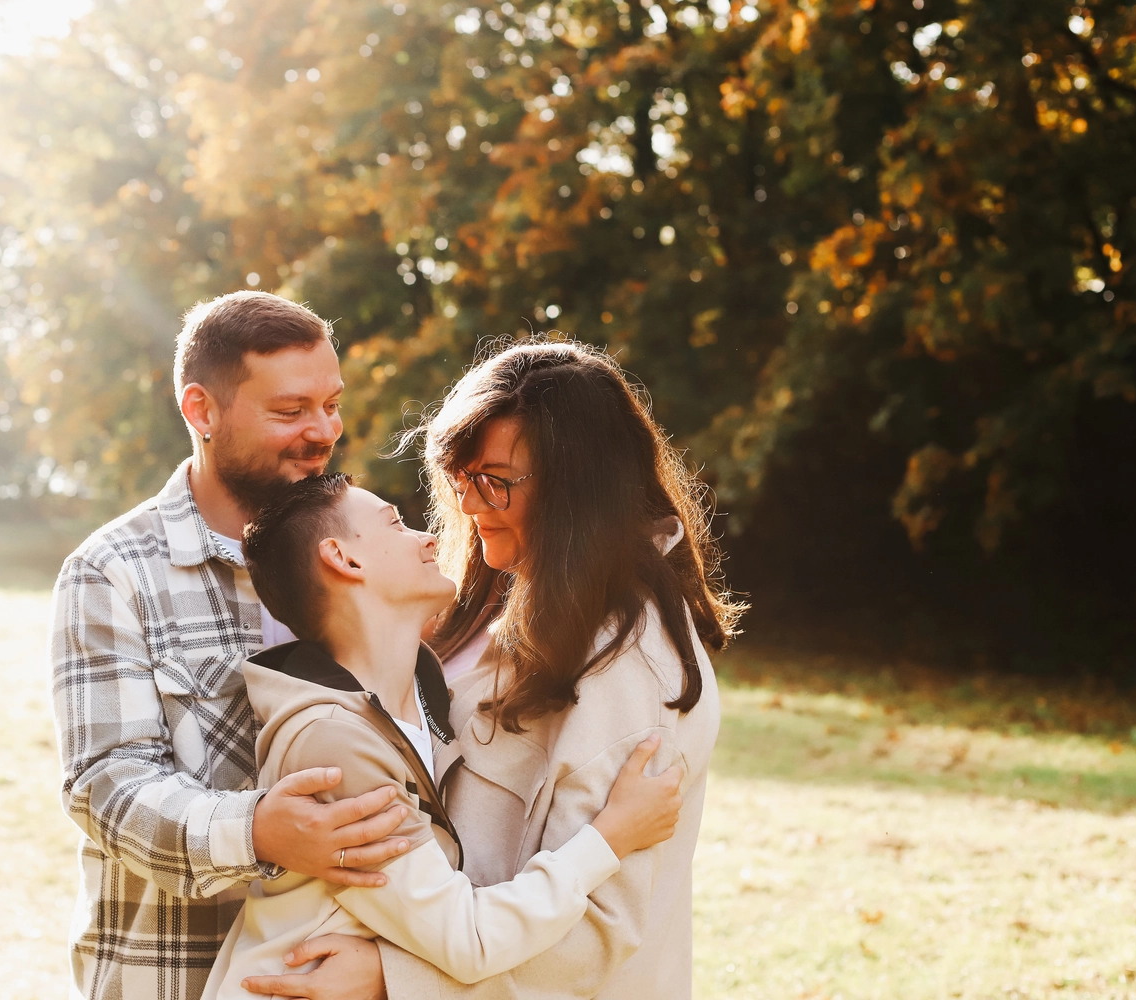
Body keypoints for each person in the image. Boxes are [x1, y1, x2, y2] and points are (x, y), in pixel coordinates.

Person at [244, 339, 743, 999]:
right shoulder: (479, 606)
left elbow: (601, 926)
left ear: (578, 490)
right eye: (461, 477)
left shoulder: (634, 662)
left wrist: (393, 979)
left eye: (495, 481)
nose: (469, 504)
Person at [49, 291, 414, 1000]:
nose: (323, 431)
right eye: (290, 411)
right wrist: (258, 833)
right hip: (176, 976)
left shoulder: (363, 550)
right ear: (200, 411)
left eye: (330, 405)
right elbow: (106, 784)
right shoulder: (113, 573)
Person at [200, 474, 683, 998]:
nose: (426, 536)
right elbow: (468, 939)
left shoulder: (425, 695)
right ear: (344, 558)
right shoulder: (332, 743)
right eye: (394, 523)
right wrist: (610, 835)